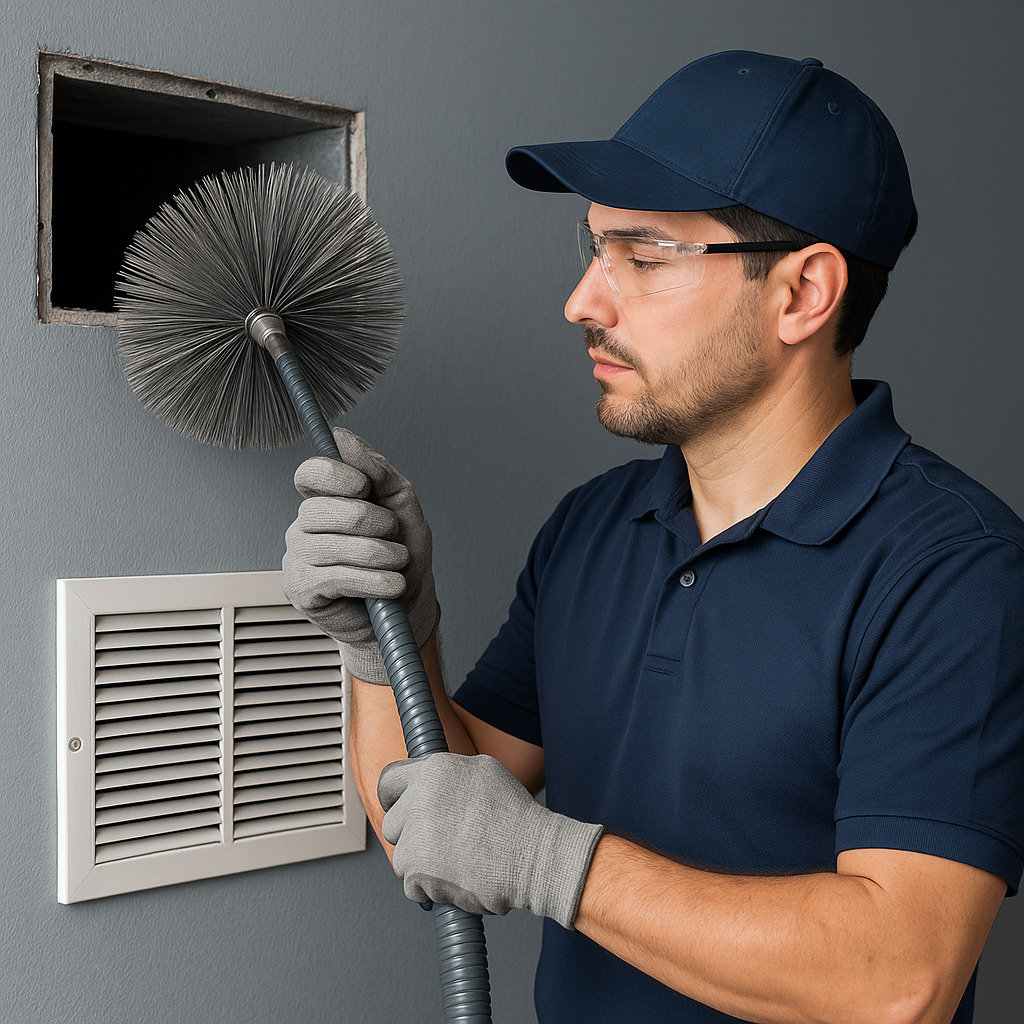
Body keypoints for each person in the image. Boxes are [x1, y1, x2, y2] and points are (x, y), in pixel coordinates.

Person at [282, 50, 1024, 1024]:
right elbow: (440, 824)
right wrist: (387, 642)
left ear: (802, 293)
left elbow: (897, 978)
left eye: (644, 255)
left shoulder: (952, 568)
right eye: (593, 251)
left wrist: (555, 862)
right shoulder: (592, 528)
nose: (584, 301)